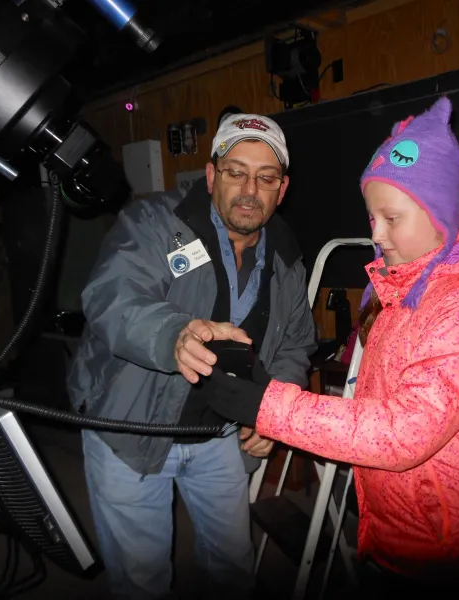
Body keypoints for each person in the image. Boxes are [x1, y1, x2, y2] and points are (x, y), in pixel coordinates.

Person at [205, 96, 459, 593]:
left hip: (450, 552)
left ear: (438, 212)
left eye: (391, 218)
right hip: (402, 529)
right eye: (372, 216)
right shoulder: (404, 287)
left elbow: (404, 433)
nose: (375, 233)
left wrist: (268, 403)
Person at [65, 110, 317, 600]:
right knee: (143, 583)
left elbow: (295, 343)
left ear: (281, 190)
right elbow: (112, 296)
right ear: (211, 175)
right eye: (236, 172)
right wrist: (172, 333)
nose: (249, 189)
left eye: (265, 178)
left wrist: (274, 408)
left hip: (216, 436)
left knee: (233, 568)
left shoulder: (286, 255)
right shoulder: (154, 222)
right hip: (132, 427)